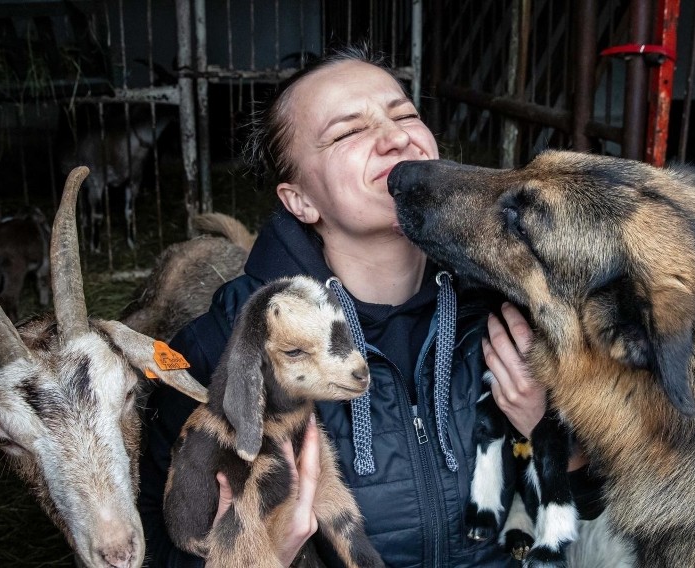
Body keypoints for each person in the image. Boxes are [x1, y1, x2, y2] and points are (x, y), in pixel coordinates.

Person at [138, 44, 602, 568]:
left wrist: (557, 433)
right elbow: (155, 546)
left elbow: (592, 499)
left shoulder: (520, 308)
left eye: (405, 113)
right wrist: (257, 555)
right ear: (300, 201)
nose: (396, 136)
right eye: (347, 132)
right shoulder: (222, 349)